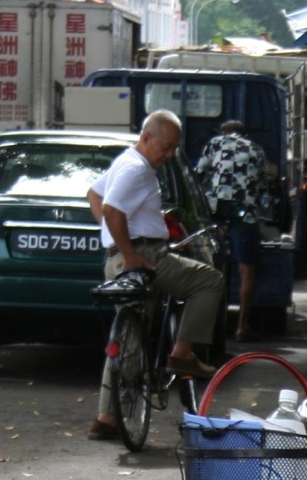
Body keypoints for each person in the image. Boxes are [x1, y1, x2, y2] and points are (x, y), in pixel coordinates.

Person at [87, 110, 224, 441]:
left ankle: (106, 416)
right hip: (143, 257)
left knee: (127, 337)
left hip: (118, 258)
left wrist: (117, 241)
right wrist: (132, 253)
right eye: (166, 147)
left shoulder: (126, 161)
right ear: (146, 137)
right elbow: (110, 209)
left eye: (174, 148)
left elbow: (94, 195)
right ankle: (182, 354)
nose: (170, 155)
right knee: (209, 281)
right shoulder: (137, 169)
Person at [194, 119, 274, 343]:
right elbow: (262, 186)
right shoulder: (256, 149)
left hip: (217, 210)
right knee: (247, 272)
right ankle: (242, 327)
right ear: (244, 133)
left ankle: (212, 326)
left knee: (216, 268)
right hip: (245, 214)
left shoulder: (215, 143)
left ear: (223, 132)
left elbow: (198, 175)